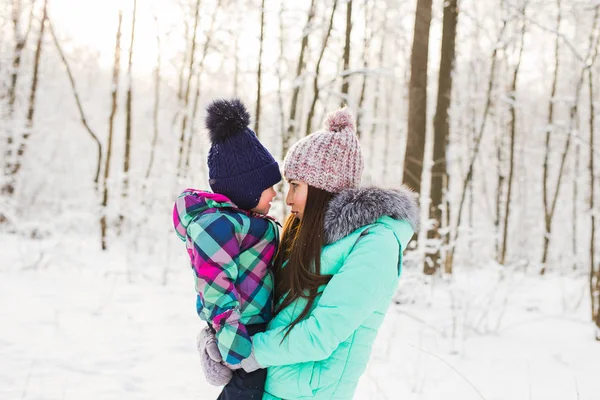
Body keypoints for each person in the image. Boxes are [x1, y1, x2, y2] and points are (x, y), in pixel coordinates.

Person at [198, 107, 419, 399]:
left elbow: (321, 334)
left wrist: (246, 353)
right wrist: (216, 338)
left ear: (321, 186)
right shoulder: (303, 234)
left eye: (295, 186)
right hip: (259, 388)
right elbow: (260, 301)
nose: (287, 199)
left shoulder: (376, 245)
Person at [173, 98, 282, 399]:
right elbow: (214, 285)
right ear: (246, 188)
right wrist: (233, 340)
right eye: (268, 185)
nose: (275, 193)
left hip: (256, 327)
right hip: (244, 331)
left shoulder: (244, 222)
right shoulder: (217, 226)